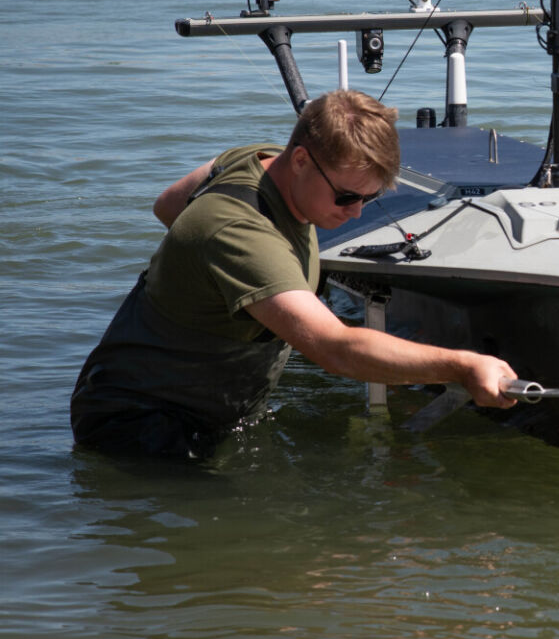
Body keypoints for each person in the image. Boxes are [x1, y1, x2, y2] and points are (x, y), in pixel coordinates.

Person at [71, 89, 520, 459]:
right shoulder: (239, 229)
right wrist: (462, 366)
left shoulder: (255, 158)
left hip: (207, 409)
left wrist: (215, 280)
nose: (356, 212)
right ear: (301, 160)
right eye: (346, 197)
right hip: (138, 422)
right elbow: (336, 349)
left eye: (371, 197)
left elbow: (168, 205)